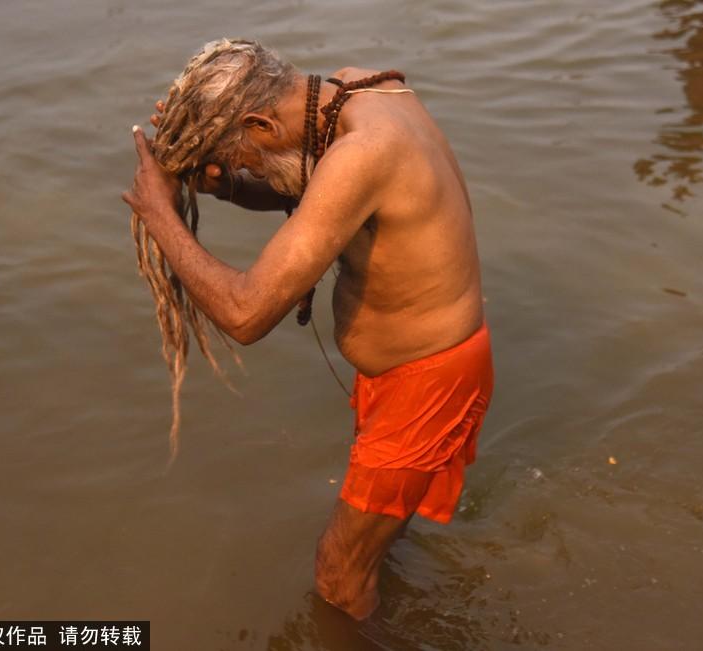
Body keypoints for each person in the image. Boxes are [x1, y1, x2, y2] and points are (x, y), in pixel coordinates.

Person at [122, 38, 493, 620]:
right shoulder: (359, 90)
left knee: (337, 579)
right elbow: (307, 188)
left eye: (240, 156)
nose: (243, 169)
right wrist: (217, 183)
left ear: (262, 122)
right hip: (423, 369)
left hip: (426, 384)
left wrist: (160, 215)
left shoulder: (364, 153)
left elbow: (246, 315)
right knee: (368, 553)